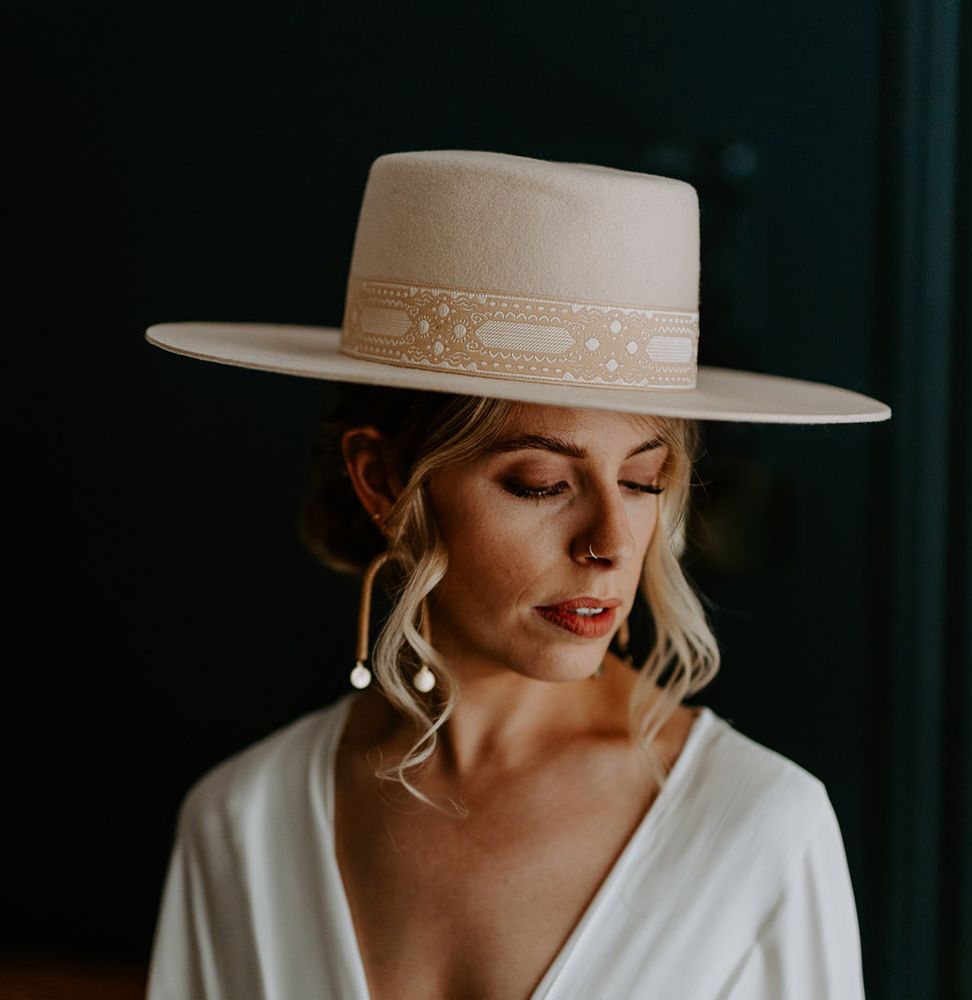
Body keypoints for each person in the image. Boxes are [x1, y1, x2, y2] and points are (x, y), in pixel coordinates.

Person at [144, 149, 889, 1000]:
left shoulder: (760, 829)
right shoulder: (242, 822)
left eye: (643, 480)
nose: (610, 542)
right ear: (383, 482)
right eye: (541, 484)